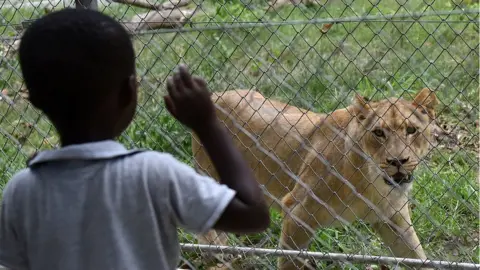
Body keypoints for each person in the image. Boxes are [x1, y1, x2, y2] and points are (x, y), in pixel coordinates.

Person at [0, 8, 270, 270]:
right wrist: (207, 125)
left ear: (34, 100)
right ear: (130, 92)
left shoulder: (22, 191)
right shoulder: (153, 174)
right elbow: (253, 214)